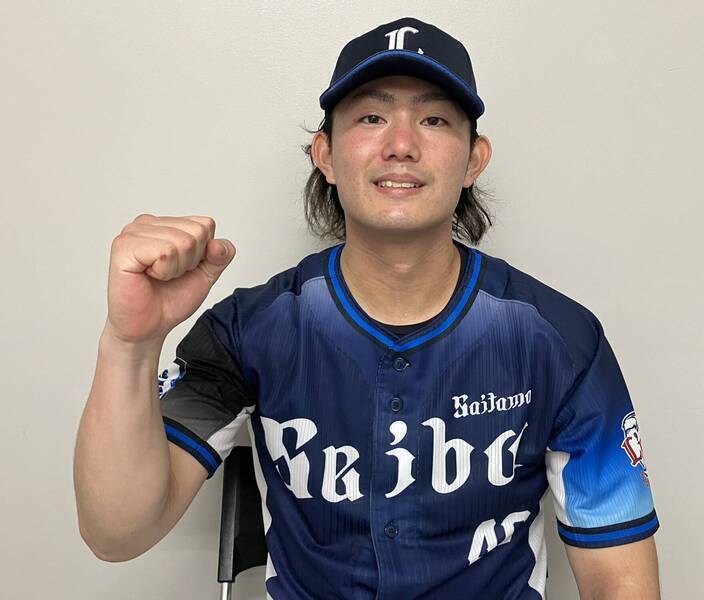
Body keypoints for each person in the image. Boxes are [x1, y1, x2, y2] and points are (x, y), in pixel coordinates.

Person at [74, 16, 660, 599]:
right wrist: (131, 344)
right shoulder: (252, 329)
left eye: (433, 120)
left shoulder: (558, 338)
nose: (401, 145)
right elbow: (116, 532)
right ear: (325, 155)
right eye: (371, 118)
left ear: (473, 160)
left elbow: (621, 581)